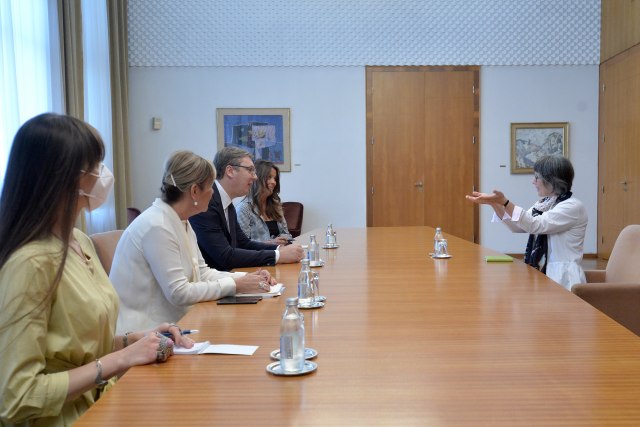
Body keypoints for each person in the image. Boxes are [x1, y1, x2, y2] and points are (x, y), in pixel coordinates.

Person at [0, 113, 189, 426]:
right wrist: (121, 359)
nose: (103, 175)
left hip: (101, 404)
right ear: (64, 177)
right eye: (94, 166)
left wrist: (133, 340)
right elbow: (17, 396)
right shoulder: (30, 263)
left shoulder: (79, 241)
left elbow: (73, 347)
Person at [110, 151, 276, 333]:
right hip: (146, 331)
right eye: (210, 187)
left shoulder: (181, 220)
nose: (213, 192)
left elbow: (202, 273)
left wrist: (246, 278)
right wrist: (236, 285)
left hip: (176, 322)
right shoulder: (157, 225)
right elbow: (179, 293)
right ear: (195, 191)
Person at [466, 155, 587, 291]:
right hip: (545, 273)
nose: (533, 182)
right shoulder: (544, 204)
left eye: (537, 177)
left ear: (551, 180)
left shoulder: (572, 206)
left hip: (564, 278)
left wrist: (505, 202)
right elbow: (517, 226)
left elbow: (535, 225)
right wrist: (494, 203)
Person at [190, 147, 305, 271]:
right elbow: (225, 256)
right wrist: (278, 255)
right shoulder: (207, 201)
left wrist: (279, 249)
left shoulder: (226, 203)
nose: (255, 177)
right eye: (250, 170)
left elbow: (243, 243)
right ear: (230, 171)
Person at [236, 160, 293, 244]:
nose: (274, 182)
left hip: (280, 250)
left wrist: (283, 239)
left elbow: (287, 234)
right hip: (261, 252)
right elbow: (242, 244)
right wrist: (271, 243)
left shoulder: (276, 204)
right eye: (269, 177)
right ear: (257, 179)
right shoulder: (244, 208)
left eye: (275, 178)